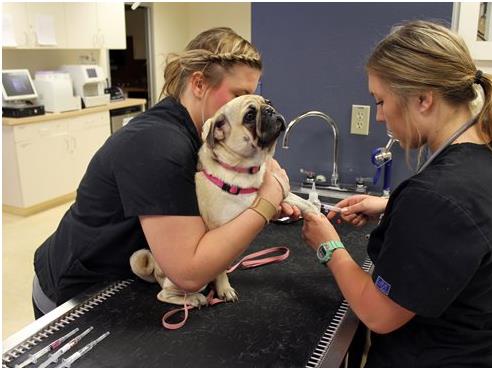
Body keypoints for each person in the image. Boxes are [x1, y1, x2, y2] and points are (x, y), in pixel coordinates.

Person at [301, 20, 492, 367]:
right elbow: (470, 227)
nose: (378, 116)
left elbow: (378, 314)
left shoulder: (438, 196)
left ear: (423, 99)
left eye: (381, 101)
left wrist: (328, 246)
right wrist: (394, 206)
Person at [33, 27, 298, 318]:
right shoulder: (159, 144)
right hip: (76, 295)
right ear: (199, 84)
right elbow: (189, 273)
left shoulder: (199, 133)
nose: (246, 105)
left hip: (133, 277)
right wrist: (267, 201)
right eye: (240, 95)